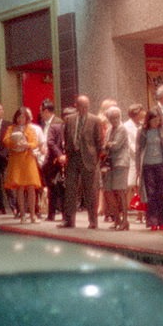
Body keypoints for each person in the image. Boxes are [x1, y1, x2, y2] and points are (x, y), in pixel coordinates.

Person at [61, 95, 104, 228]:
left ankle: (93, 221)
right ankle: (69, 220)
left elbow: (99, 142)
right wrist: (67, 152)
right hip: (73, 157)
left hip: (89, 159)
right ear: (76, 106)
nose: (84, 109)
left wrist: (96, 159)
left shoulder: (95, 120)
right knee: (70, 190)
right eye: (82, 106)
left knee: (91, 191)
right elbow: (66, 137)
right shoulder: (69, 120)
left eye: (86, 106)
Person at [3, 106, 42, 223]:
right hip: (16, 159)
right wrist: (14, 142)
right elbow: (5, 140)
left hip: (28, 159)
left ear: (27, 118)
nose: (21, 119)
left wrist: (27, 145)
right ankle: (23, 215)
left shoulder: (30, 129)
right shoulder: (11, 128)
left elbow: (35, 142)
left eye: (23, 117)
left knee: (31, 187)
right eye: (19, 117)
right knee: (19, 187)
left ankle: (33, 215)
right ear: (16, 118)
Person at [137, 109, 163, 230]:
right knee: (151, 193)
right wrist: (137, 167)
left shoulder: (161, 130)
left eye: (158, 120)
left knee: (161, 192)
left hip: (160, 163)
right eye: (154, 120)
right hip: (147, 164)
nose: (156, 122)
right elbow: (138, 148)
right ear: (149, 120)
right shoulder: (143, 131)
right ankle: (152, 221)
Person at [102, 106, 130, 230]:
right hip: (109, 163)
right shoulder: (109, 129)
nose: (114, 120)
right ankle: (117, 219)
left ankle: (125, 220)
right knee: (108, 190)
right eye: (111, 118)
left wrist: (108, 145)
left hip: (120, 163)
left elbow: (116, 146)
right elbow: (106, 145)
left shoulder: (122, 129)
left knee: (120, 191)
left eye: (116, 117)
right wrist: (108, 145)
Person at [39, 99, 64, 221]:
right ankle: (51, 213)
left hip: (55, 160)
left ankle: (60, 213)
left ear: (47, 111)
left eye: (41, 111)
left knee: (58, 187)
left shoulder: (57, 123)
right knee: (51, 188)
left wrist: (58, 155)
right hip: (47, 159)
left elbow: (56, 143)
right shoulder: (45, 124)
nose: (40, 114)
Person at [123, 103, 144, 223]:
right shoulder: (126, 126)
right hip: (131, 159)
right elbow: (130, 144)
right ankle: (125, 210)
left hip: (141, 159)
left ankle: (140, 213)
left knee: (140, 186)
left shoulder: (142, 125)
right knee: (130, 185)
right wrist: (138, 152)